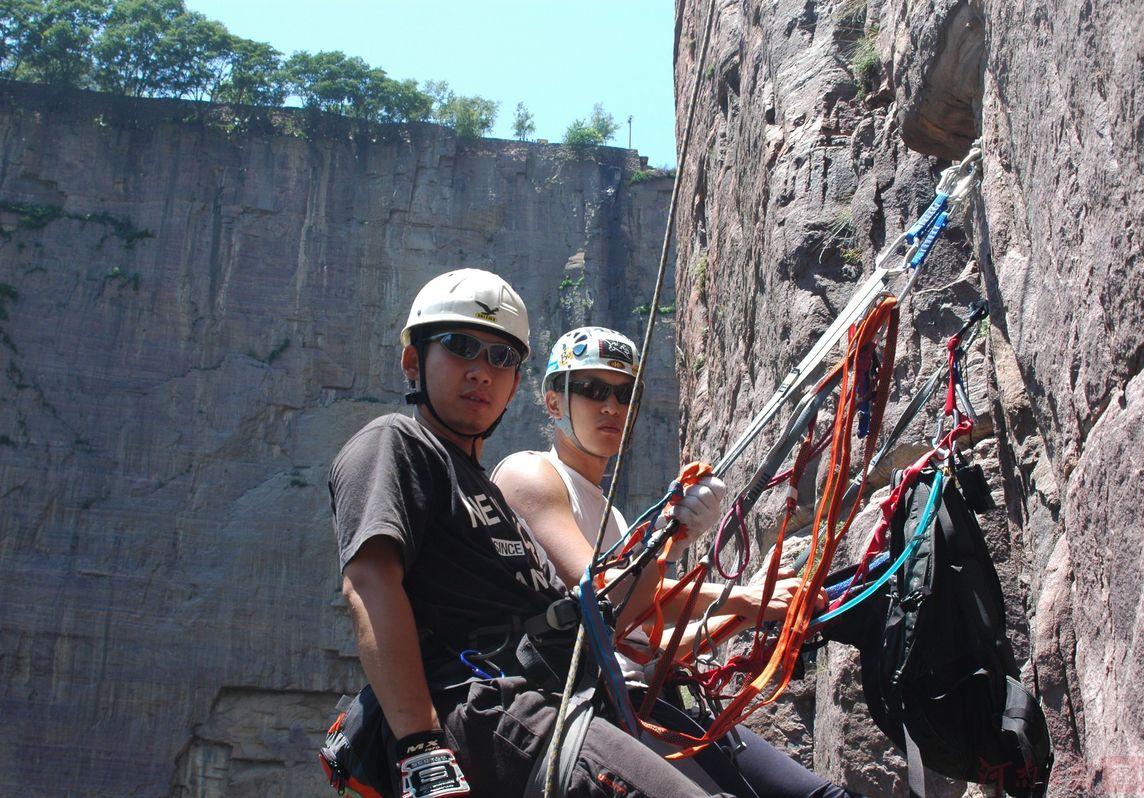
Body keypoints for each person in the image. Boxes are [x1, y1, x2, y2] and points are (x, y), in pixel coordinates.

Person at [329, 270, 746, 798]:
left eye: (501, 358)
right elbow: (369, 583)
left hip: (559, 706)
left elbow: (611, 615)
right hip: (492, 713)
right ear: (414, 361)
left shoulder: (483, 490)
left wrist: (673, 538)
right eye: (461, 348)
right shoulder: (396, 443)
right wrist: (420, 744)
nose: (482, 372)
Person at [492, 325, 861, 798]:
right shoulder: (531, 475)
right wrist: (678, 543)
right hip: (601, 714)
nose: (611, 406)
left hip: (650, 701)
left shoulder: (612, 516)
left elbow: (650, 632)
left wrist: (746, 607)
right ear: (553, 401)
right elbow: (606, 601)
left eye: (625, 394)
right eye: (591, 389)